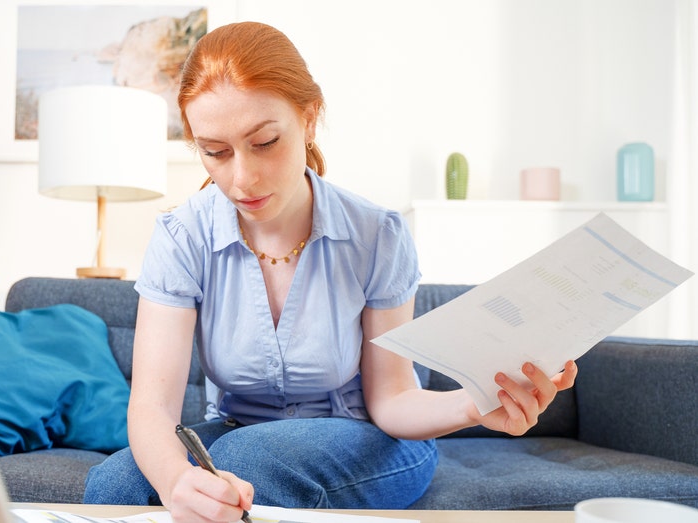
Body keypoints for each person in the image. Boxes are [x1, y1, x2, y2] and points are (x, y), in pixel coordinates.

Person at [83, 21, 577, 521]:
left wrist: (474, 407)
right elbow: (152, 410)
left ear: (309, 119)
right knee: (118, 480)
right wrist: (176, 481)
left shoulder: (376, 235)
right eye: (216, 152)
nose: (242, 178)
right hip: (237, 432)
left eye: (266, 142)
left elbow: (393, 400)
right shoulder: (182, 237)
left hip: (376, 438)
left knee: (248, 462)